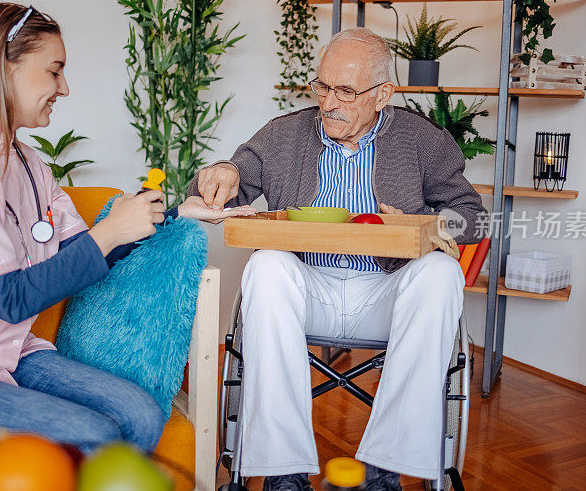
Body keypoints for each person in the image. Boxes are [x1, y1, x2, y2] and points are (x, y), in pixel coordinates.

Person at [0, 2, 255, 485]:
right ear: (5, 67)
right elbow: (9, 298)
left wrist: (177, 214)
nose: (64, 88)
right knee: (92, 436)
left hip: (5, 355)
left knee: (142, 414)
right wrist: (108, 230)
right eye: (54, 70)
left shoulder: (29, 163)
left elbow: (83, 254)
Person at [189, 28, 486, 491]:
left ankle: (384, 470)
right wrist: (221, 173)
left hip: (389, 293)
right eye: (322, 86)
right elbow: (221, 190)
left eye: (345, 91)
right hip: (306, 286)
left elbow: (471, 217)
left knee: (442, 271)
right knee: (266, 265)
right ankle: (282, 472)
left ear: (383, 94)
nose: (328, 102)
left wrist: (419, 226)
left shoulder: (423, 139)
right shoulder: (285, 134)